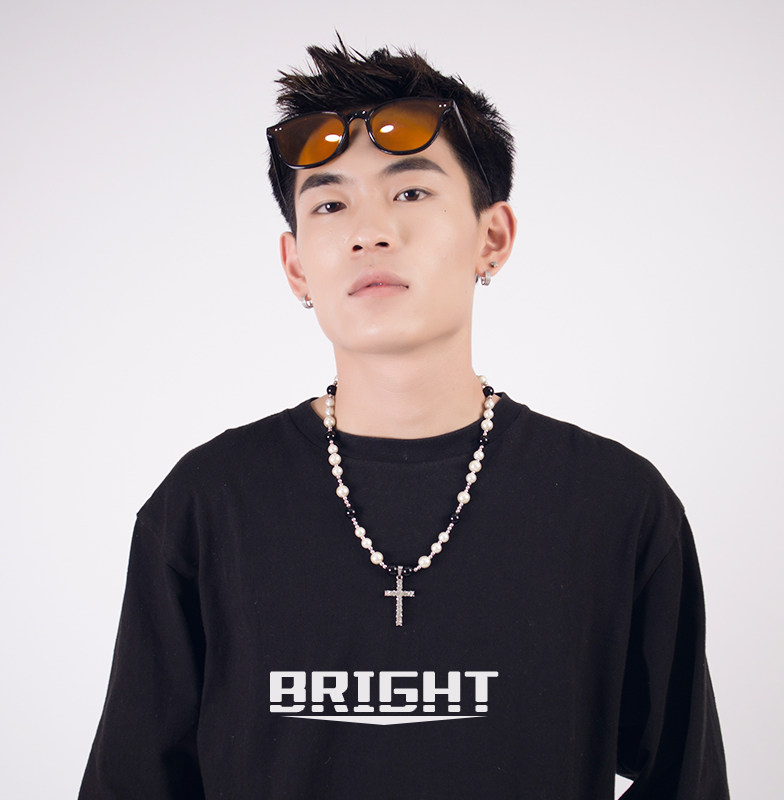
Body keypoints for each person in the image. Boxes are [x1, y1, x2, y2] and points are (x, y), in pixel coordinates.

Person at [79, 42, 729, 798]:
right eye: (330, 204)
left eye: (411, 192)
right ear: (296, 264)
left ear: (493, 238)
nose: (370, 231)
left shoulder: (615, 504)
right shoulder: (206, 504)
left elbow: (684, 780)